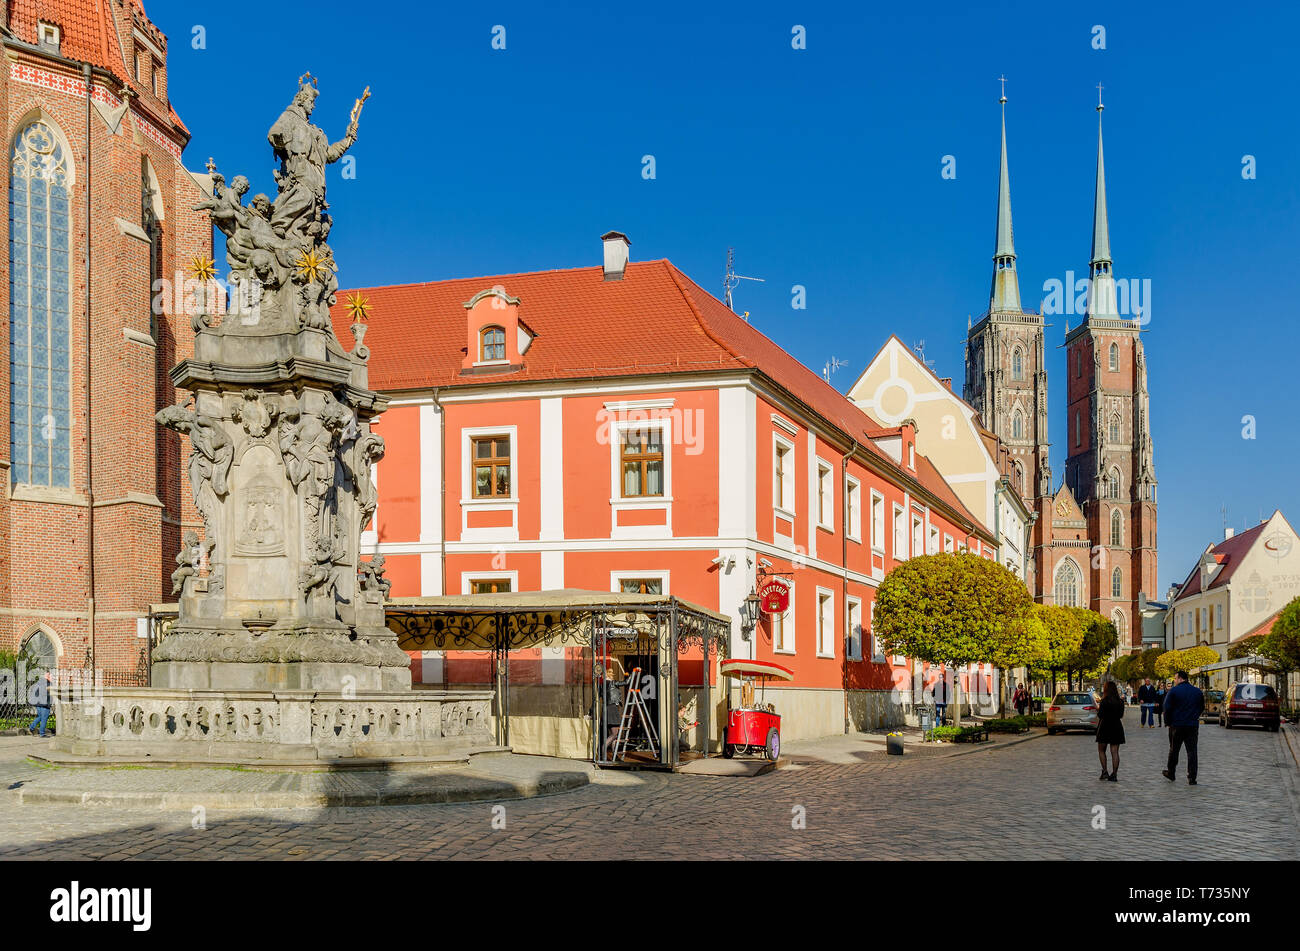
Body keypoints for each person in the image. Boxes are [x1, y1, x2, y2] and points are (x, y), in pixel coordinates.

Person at [1162, 670, 1205, 785]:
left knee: (1174, 750)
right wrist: (1194, 716)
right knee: (1192, 751)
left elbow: (1167, 708)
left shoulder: (1174, 691)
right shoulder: (1197, 691)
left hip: (1176, 725)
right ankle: (1192, 777)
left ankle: (1171, 772)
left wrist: (1167, 722)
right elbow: (1201, 707)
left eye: (1175, 679)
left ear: (1180, 679)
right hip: (1192, 725)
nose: (1174, 681)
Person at [1095, 680, 1126, 781]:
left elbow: (1100, 715)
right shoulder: (1120, 702)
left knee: (1101, 750)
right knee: (1115, 752)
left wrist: (1098, 709)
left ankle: (1105, 772)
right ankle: (1114, 774)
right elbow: (1121, 715)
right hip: (1116, 726)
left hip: (1104, 726)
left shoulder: (1104, 701)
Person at [27, 670, 53, 738]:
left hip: (38, 703)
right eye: (49, 675)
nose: (50, 676)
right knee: (44, 718)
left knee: (40, 717)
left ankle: (31, 727)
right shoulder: (47, 683)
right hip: (44, 704)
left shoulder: (38, 682)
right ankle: (42, 733)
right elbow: (48, 694)